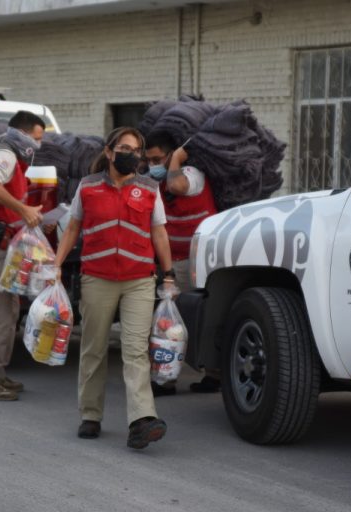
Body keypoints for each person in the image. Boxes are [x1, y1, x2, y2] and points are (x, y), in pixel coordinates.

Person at [54, 127, 175, 450]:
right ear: (109, 152)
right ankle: (90, 415)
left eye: (136, 151)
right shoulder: (88, 186)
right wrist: (56, 264)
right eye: (125, 148)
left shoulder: (150, 188)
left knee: (135, 351)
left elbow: (159, 233)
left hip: (138, 281)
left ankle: (141, 420)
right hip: (97, 278)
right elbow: (73, 228)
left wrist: (169, 274)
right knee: (93, 348)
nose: (131, 155)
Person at [0, 111, 46, 401]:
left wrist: (31, 214)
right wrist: (24, 210)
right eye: (36, 138)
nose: (39, 145)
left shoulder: (13, 157)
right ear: (23, 134)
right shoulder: (5, 155)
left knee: (8, 311)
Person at [144, 130, 221, 395]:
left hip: (196, 261)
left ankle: (214, 375)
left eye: (158, 159)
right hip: (171, 262)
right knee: (167, 322)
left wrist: (176, 159)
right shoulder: (156, 182)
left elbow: (177, 187)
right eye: (149, 160)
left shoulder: (190, 174)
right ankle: (166, 379)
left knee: (203, 318)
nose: (153, 165)